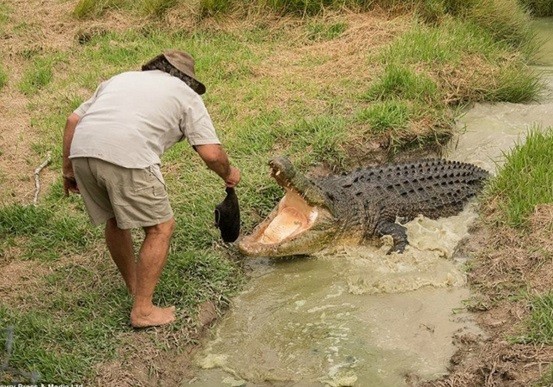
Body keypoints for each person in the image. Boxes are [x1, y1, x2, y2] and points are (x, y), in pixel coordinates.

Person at [62, 50, 240, 328]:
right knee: (160, 228)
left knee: (116, 220)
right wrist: (229, 173)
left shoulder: (120, 79)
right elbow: (212, 154)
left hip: (82, 150)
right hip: (127, 155)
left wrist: (68, 170)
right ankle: (143, 310)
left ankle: (135, 287)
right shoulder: (185, 95)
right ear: (187, 80)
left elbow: (73, 120)